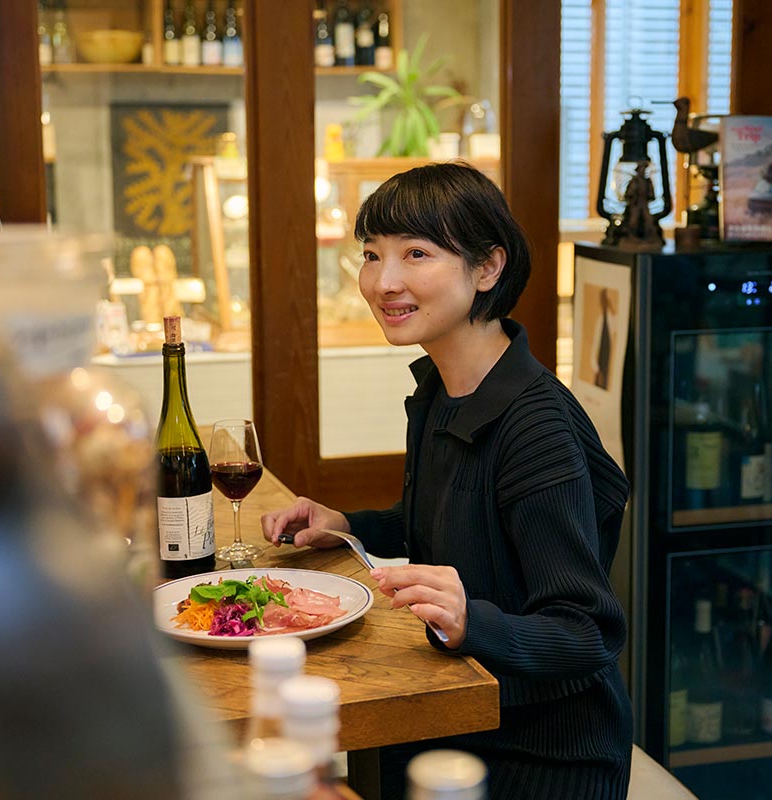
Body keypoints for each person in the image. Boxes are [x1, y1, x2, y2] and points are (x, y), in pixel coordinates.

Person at [260, 162, 632, 800]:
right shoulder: (441, 389)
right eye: (372, 255)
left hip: (539, 752)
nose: (384, 281)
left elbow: (587, 632)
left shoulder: (533, 427)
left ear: (488, 268)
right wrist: (349, 525)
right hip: (450, 713)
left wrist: (472, 621)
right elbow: (447, 522)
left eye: (417, 254)